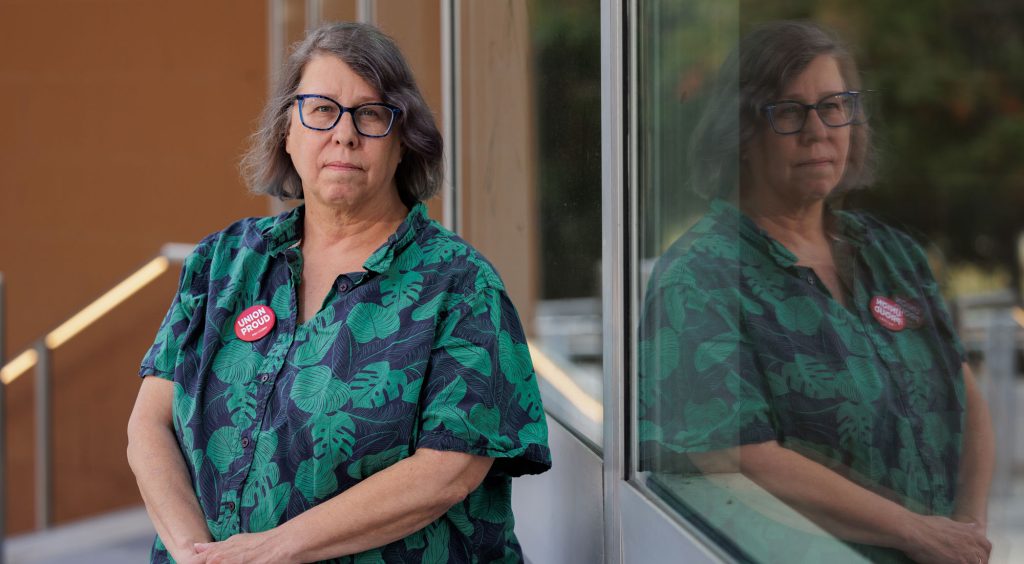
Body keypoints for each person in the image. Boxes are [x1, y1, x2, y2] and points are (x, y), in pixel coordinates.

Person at [127, 22, 550, 564]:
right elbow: (149, 422)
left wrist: (264, 553)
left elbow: (449, 471)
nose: (344, 134)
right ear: (287, 132)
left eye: (370, 115)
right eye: (322, 109)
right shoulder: (222, 263)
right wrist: (193, 554)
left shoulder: (460, 286)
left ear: (403, 143)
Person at [638, 21, 993, 564]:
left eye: (833, 106)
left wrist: (965, 532)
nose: (817, 131)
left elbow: (963, 397)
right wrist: (915, 532)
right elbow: (737, 456)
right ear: (740, 135)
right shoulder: (700, 275)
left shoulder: (891, 253)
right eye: (788, 112)